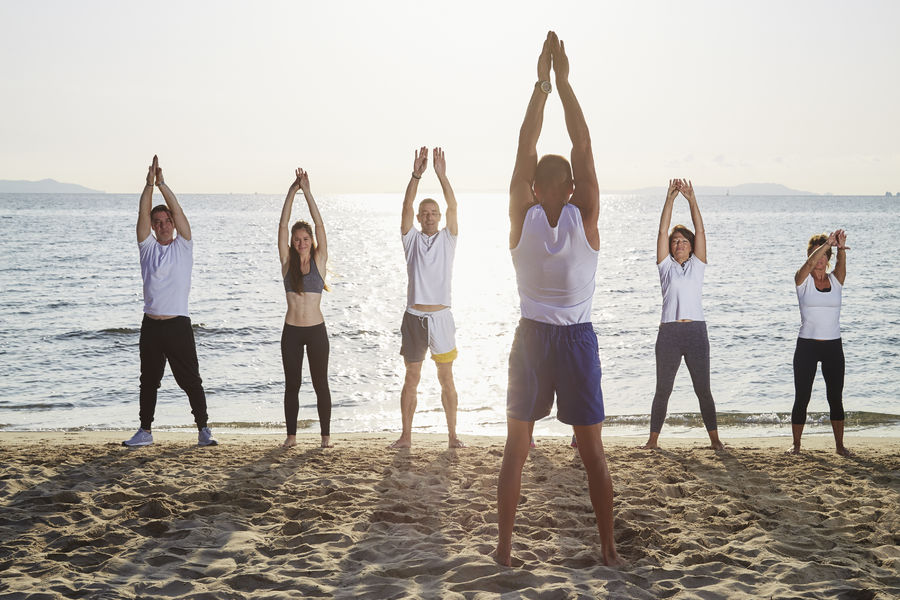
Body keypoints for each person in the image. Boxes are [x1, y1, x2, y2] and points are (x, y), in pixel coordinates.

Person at [497, 31, 621, 567]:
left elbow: (525, 145)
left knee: (517, 450)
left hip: (532, 338)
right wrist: (565, 85)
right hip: (572, 340)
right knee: (591, 453)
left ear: (532, 187)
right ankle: (608, 553)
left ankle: (503, 551)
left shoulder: (519, 216)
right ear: (569, 186)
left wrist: (541, 87)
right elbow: (583, 145)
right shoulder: (585, 214)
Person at [124, 156, 217, 447]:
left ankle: (203, 430)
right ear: (152, 226)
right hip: (151, 325)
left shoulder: (184, 245)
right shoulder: (147, 247)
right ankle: (145, 431)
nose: (163, 225)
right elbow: (142, 211)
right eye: (158, 222)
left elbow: (177, 209)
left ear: (173, 224)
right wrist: (148, 185)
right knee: (148, 381)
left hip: (178, 324)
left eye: (167, 221)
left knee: (191, 380)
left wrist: (162, 183)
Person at [640, 179, 725, 451]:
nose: (679, 244)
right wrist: (669, 199)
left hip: (696, 332)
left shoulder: (697, 266)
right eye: (675, 241)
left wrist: (691, 200)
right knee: (663, 389)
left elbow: (700, 230)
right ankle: (652, 441)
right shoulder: (665, 268)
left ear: (691, 246)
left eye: (683, 241)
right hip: (669, 333)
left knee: (704, 390)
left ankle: (715, 441)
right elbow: (662, 229)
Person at [392, 146, 463, 449]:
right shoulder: (411, 239)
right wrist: (416, 175)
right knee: (412, 379)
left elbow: (453, 206)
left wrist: (442, 176)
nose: (431, 217)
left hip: (442, 318)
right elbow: (407, 204)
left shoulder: (449, 238)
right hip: (414, 318)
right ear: (420, 218)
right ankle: (406, 436)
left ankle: (452, 436)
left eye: (434, 213)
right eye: (426, 213)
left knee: (446, 379)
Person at [278, 168, 333, 449]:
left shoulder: (320, 260)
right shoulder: (287, 262)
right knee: (293, 385)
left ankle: (325, 439)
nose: (301, 242)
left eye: (306, 239)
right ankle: (291, 437)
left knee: (320, 384)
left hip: (316, 332)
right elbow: (283, 223)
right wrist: (291, 191)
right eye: (297, 239)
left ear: (311, 241)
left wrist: (307, 192)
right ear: (292, 242)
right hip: (292, 332)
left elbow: (320, 224)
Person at [791, 229, 850, 456]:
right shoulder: (802, 281)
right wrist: (827, 244)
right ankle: (796, 446)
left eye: (825, 255)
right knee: (802, 396)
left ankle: (839, 446)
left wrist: (840, 247)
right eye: (816, 254)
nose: (820, 259)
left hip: (833, 346)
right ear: (811, 256)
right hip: (807, 346)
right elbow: (807, 266)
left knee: (835, 397)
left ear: (829, 258)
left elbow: (841, 265)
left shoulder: (836, 281)